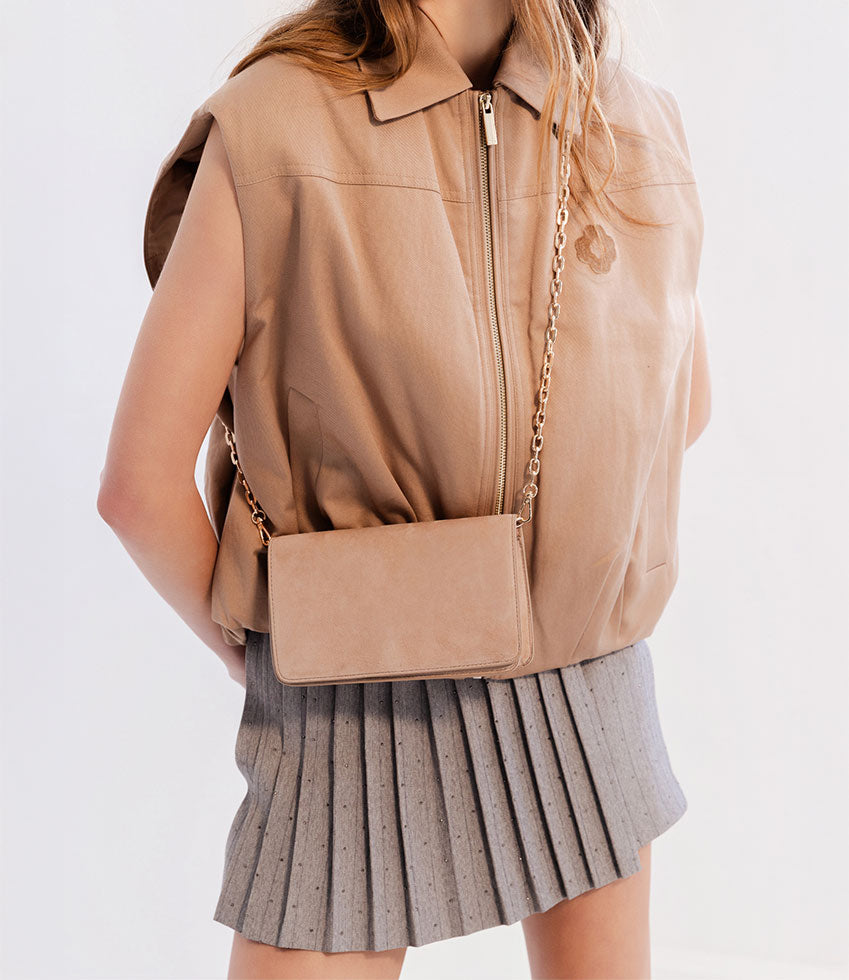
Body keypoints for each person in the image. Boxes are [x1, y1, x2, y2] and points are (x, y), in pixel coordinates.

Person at [97, 0, 711, 975]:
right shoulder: (631, 124)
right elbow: (683, 413)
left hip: (351, 677)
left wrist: (267, 633)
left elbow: (138, 486)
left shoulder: (273, 124)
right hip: (588, 690)